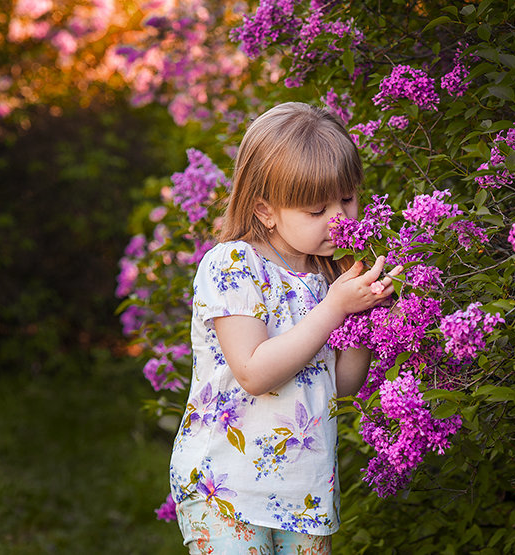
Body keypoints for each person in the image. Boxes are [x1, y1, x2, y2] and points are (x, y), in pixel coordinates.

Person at [169, 102, 401, 554]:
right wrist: (335, 309)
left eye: (348, 199)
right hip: (225, 489)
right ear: (265, 210)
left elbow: (343, 385)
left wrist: (367, 318)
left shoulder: (330, 277)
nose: (341, 218)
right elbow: (254, 373)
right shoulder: (234, 264)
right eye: (317, 210)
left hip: (305, 492)